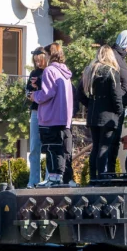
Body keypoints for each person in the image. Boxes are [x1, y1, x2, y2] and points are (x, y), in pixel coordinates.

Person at [31, 43, 73, 187]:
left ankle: (53, 179)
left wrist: (34, 95)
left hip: (50, 117)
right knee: (59, 149)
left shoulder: (49, 70)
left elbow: (47, 93)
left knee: (50, 148)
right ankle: (58, 178)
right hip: (63, 117)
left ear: (50, 54)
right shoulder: (65, 71)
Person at [79, 45, 124, 181]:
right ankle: (102, 178)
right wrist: (119, 111)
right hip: (108, 114)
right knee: (104, 147)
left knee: (96, 147)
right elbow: (116, 96)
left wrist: (90, 104)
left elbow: (79, 94)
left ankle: (93, 178)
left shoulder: (90, 71)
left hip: (93, 115)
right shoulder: (111, 72)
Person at [110, 31, 127, 173]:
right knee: (110, 144)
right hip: (115, 108)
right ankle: (108, 173)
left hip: (117, 107)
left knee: (111, 144)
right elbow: (121, 85)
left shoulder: (118, 57)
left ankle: (108, 172)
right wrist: (118, 101)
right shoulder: (115, 58)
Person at [27, 47, 49, 188]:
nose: (38, 64)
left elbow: (50, 92)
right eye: (35, 61)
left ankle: (48, 179)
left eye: (39, 60)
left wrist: (38, 90)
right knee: (34, 146)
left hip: (48, 111)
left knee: (48, 146)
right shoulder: (33, 73)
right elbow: (28, 94)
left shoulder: (49, 72)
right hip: (35, 111)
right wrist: (34, 91)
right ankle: (33, 180)